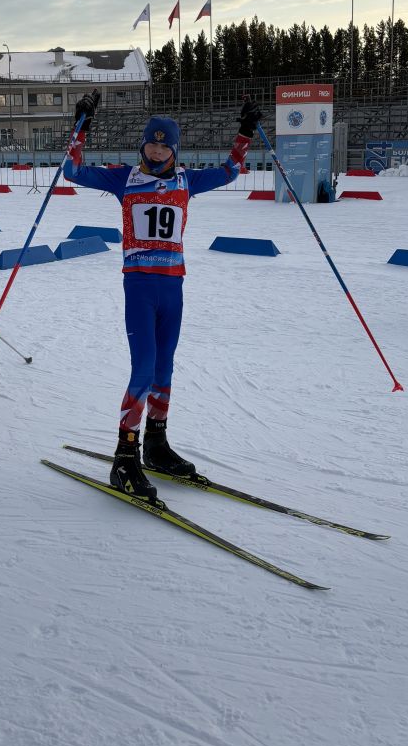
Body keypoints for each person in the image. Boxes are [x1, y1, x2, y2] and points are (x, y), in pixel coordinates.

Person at [63, 93, 263, 502]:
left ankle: (155, 443)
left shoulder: (186, 181)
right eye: (151, 145)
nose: (157, 152)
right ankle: (124, 457)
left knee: (164, 368)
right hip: (139, 287)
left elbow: (230, 171)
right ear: (143, 146)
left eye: (165, 146)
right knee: (143, 368)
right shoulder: (124, 179)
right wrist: (82, 126)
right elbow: (72, 170)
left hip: (173, 287)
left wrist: (245, 131)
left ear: (175, 149)